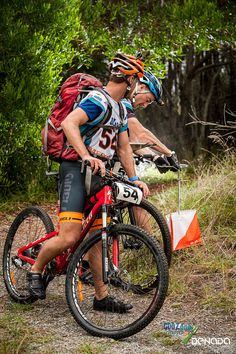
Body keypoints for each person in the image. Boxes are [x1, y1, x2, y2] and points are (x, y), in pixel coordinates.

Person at [27, 53, 150, 313]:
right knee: (69, 236)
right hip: (75, 169)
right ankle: (35, 270)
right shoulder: (98, 100)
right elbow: (69, 123)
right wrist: (85, 155)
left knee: (97, 236)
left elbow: (124, 147)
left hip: (99, 174)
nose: (138, 87)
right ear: (128, 79)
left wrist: (135, 179)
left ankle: (101, 297)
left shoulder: (119, 108)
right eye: (137, 81)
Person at [122, 70, 180, 173]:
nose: (144, 105)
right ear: (142, 87)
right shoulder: (122, 101)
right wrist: (169, 153)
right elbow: (141, 134)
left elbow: (130, 141)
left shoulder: (125, 102)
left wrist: (155, 157)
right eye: (148, 100)